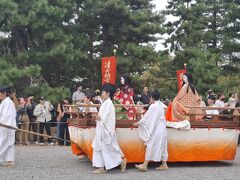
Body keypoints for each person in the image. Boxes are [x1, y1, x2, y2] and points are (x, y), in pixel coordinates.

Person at [92, 83, 127, 174]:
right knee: (100, 148)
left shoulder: (109, 104)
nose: (102, 94)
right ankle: (101, 166)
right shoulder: (105, 103)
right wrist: (98, 117)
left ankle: (121, 161)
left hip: (106, 130)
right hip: (102, 129)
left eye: (103, 92)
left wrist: (97, 116)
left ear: (108, 93)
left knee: (108, 149)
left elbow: (104, 117)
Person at [133, 90, 169, 172]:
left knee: (150, 145)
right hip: (163, 128)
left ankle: (145, 165)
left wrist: (139, 123)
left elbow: (147, 117)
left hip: (157, 128)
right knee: (163, 145)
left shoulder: (153, 106)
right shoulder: (161, 105)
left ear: (151, 98)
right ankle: (164, 164)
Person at [0, 86, 17, 167]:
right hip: (6, 125)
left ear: (5, 93)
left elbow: (7, 116)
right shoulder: (5, 102)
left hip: (7, 126)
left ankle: (9, 160)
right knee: (8, 143)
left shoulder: (8, 102)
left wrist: (2, 123)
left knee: (5, 143)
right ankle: (10, 160)